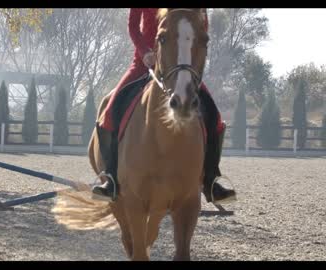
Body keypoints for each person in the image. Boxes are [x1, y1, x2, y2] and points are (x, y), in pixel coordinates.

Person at [91, 8, 236, 204]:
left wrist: (191, 52)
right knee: (109, 113)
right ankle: (110, 178)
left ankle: (211, 180)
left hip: (179, 66)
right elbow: (133, 27)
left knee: (215, 119)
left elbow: (202, 28)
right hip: (144, 63)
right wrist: (145, 52)